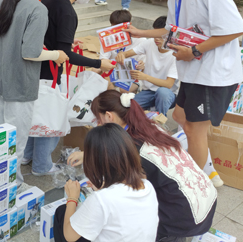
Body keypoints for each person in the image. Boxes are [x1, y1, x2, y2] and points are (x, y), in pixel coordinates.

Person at [126, 0, 243, 185]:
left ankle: (196, 188)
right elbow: (171, 30)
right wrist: (139, 32)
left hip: (212, 74)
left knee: (193, 129)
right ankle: (205, 168)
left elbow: (235, 28)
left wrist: (195, 51)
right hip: (193, 72)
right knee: (179, 116)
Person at [68, 91, 217, 241]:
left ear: (109, 116)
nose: (98, 125)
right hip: (206, 198)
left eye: (98, 121)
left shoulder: (133, 149)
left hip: (185, 217)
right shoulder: (149, 127)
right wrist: (86, 154)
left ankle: (167, 236)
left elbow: (127, 192)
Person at [23, 0, 116, 176]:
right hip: (49, 72)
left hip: (34, 67)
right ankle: (42, 166)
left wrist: (66, 42)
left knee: (36, 114)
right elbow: (67, 57)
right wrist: (98, 63)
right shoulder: (67, 11)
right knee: (51, 118)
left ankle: (26, 155)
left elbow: (48, 35)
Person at [0, 0, 69, 185]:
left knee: (0, 142)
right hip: (19, 85)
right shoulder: (37, 9)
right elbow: (30, 53)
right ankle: (12, 189)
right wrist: (57, 55)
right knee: (15, 145)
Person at [55, 123, 159, 242]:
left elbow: (69, 236)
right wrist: (104, 187)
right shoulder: (147, 185)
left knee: (61, 212)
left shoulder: (101, 200)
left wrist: (72, 198)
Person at [116, 16, 178, 115]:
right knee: (127, 108)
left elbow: (168, 84)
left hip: (167, 94)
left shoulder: (176, 54)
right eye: (154, 35)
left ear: (171, 35)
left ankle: (160, 119)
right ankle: (150, 111)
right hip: (148, 91)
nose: (156, 39)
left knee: (162, 93)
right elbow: (128, 53)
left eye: (161, 36)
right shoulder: (149, 43)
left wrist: (144, 77)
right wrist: (121, 54)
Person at [100, 9, 146, 92]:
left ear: (129, 25)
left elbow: (143, 65)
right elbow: (103, 59)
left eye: (120, 28)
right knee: (96, 71)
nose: (116, 32)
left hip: (132, 75)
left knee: (123, 90)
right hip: (112, 70)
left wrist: (141, 65)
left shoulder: (141, 40)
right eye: (113, 28)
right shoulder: (108, 38)